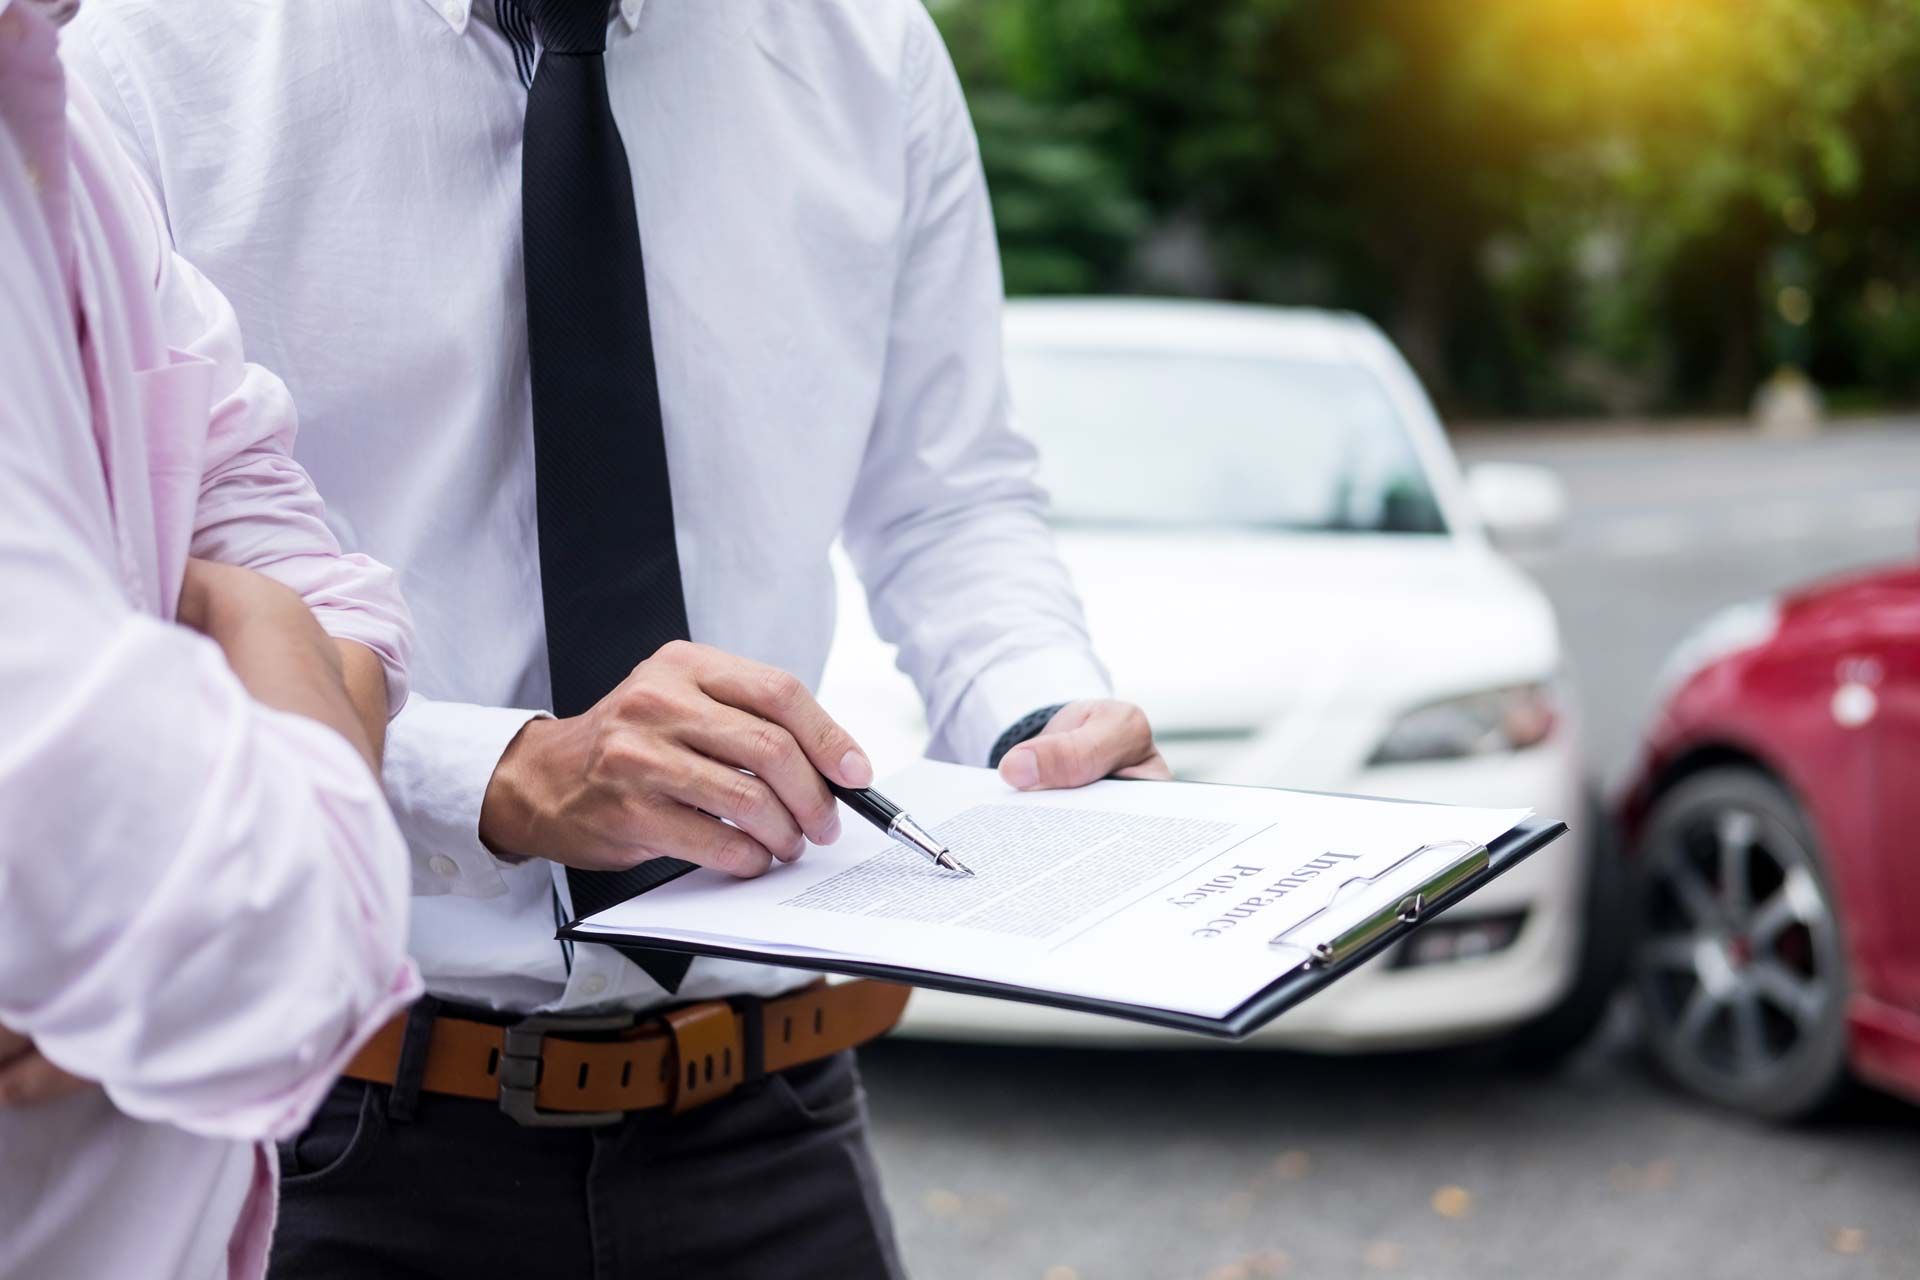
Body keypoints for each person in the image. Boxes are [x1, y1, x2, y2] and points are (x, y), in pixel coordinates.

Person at [66, 0, 1171, 1273]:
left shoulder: (869, 47)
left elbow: (951, 495)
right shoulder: (134, 57)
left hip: (774, 1119)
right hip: (326, 1126)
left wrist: (1038, 715)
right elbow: (106, 609)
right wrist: (502, 775)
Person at [0, 1, 422, 1275]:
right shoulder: (149, 59)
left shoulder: (66, 139)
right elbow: (279, 928)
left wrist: (271, 623)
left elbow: (277, 527)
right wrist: (265, 639)